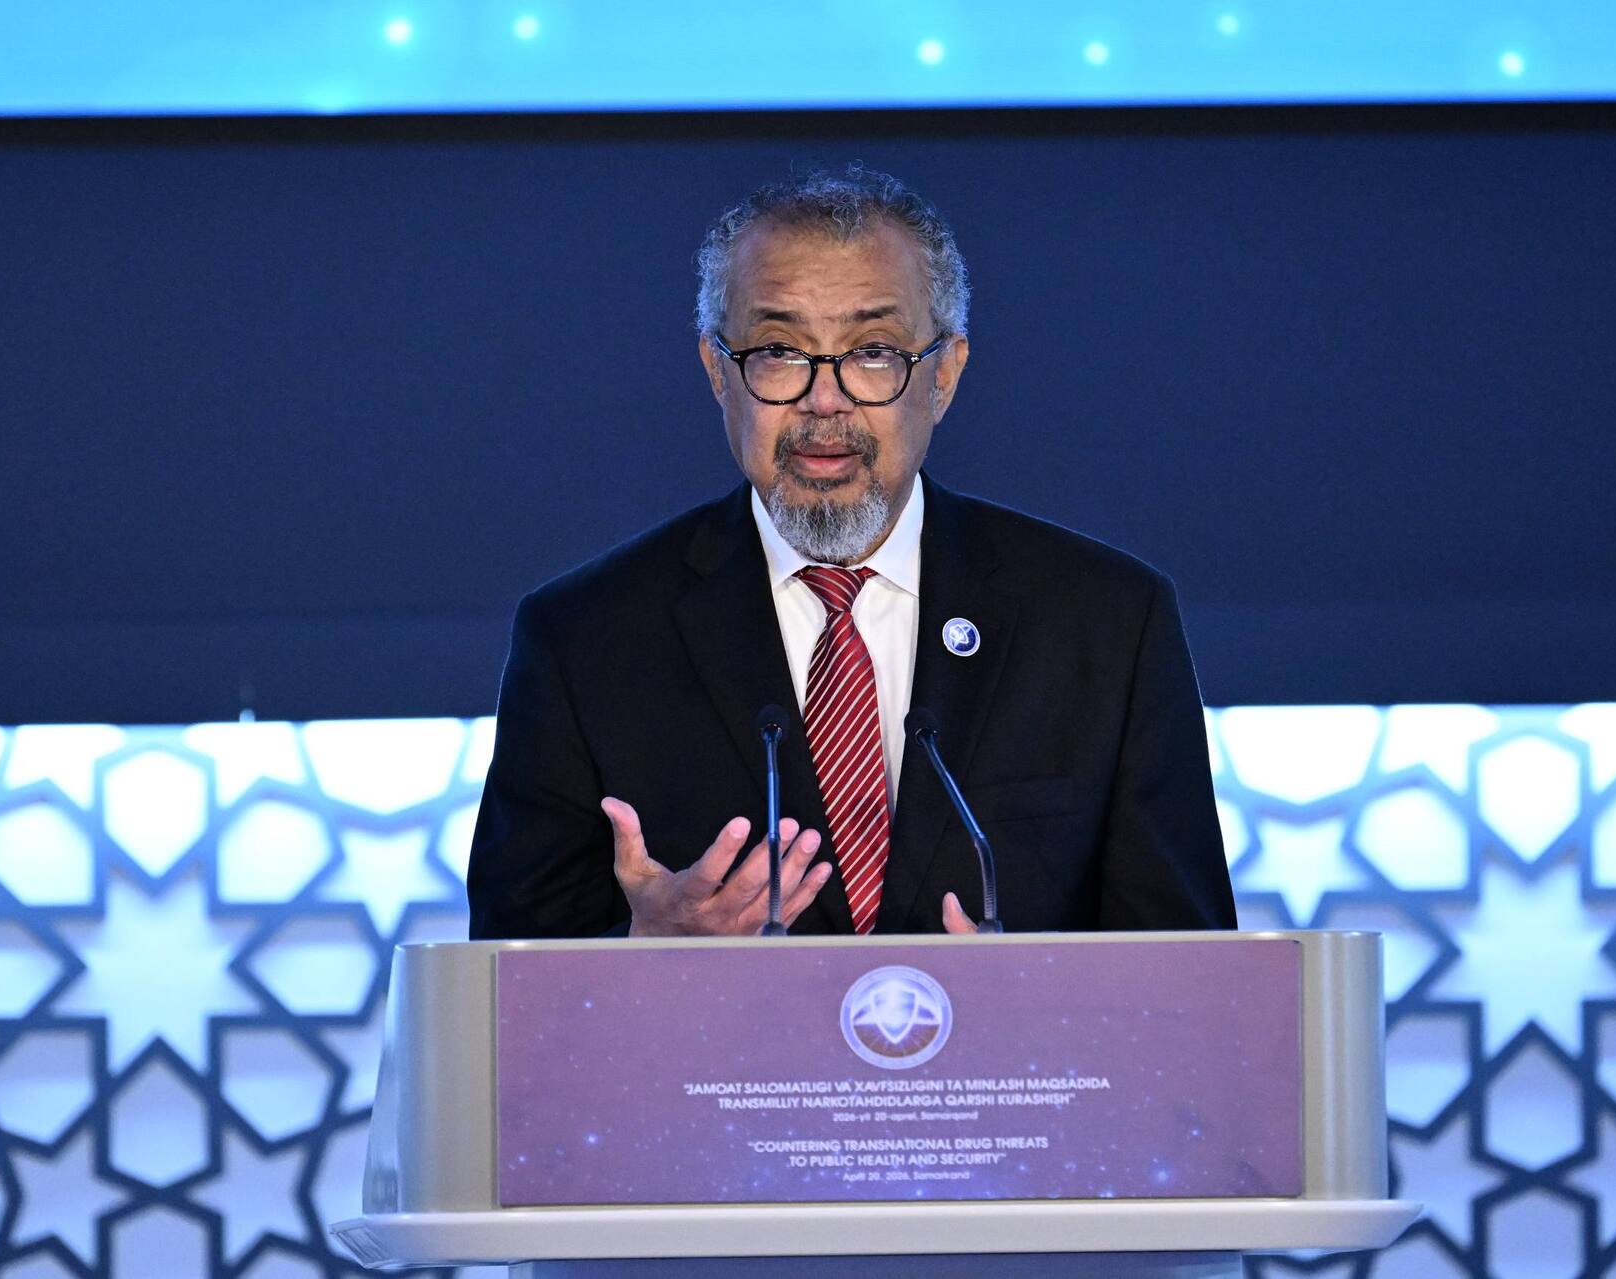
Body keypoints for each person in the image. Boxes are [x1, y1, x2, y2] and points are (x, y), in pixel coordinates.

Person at [468, 166, 1233, 940]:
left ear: (944, 375)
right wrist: (644, 956)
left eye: (872, 352)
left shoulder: (1108, 626)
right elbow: (497, 982)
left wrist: (1042, 998)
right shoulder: (582, 640)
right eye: (779, 350)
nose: (824, 400)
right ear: (717, 372)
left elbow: (1197, 978)